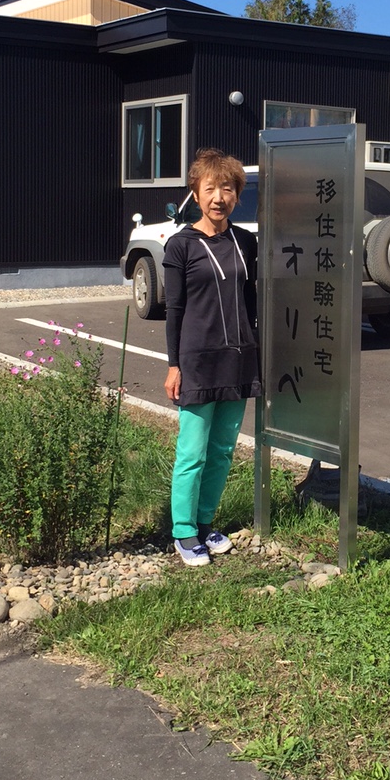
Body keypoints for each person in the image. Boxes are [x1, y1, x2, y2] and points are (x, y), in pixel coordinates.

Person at [162, 148, 261, 566]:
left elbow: (251, 298)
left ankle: (204, 523)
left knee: (222, 449)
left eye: (228, 188)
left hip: (238, 357)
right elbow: (175, 310)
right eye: (210, 189)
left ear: (237, 194)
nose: (219, 196)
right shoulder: (181, 244)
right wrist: (173, 365)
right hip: (197, 361)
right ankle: (183, 532)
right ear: (196, 194)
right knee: (192, 451)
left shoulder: (245, 241)